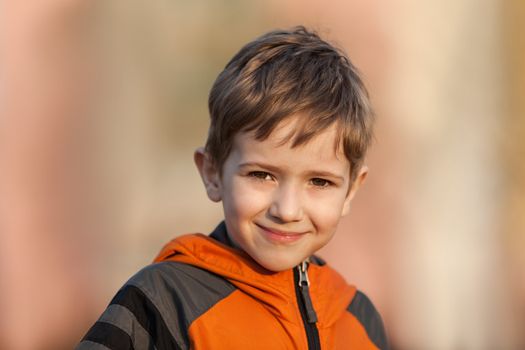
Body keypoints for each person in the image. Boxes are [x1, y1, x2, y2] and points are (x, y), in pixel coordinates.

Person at [77, 26, 388, 350]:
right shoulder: (165, 301)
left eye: (319, 181)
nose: (287, 210)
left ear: (351, 190)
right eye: (261, 175)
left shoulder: (359, 319)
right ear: (213, 173)